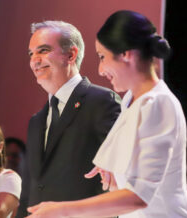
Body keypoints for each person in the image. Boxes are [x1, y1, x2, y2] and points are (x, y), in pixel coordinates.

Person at [27, 10, 187, 217]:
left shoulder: (158, 103)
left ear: (126, 54)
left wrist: (61, 209)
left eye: (102, 57)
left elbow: (138, 197)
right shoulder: (130, 101)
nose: (100, 70)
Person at [17, 20, 121, 217]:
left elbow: (114, 177)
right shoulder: (37, 121)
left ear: (71, 55)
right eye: (31, 53)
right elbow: (30, 189)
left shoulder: (101, 101)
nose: (34, 60)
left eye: (43, 50)